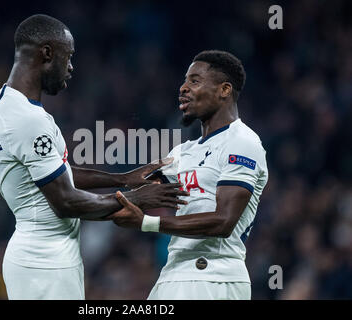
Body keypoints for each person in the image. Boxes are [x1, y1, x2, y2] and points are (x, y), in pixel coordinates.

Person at [0, 14, 188, 300]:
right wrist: (137, 199)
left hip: (33, 254)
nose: (71, 67)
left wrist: (123, 179)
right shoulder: (29, 120)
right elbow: (65, 201)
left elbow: (52, 172)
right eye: (69, 56)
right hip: (47, 261)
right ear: (48, 53)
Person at [110, 50, 269, 300]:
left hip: (213, 277)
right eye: (184, 81)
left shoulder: (242, 142)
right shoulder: (182, 152)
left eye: (194, 81)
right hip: (173, 274)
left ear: (224, 90)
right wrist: (66, 193)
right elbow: (130, 197)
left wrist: (146, 222)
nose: (183, 88)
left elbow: (223, 221)